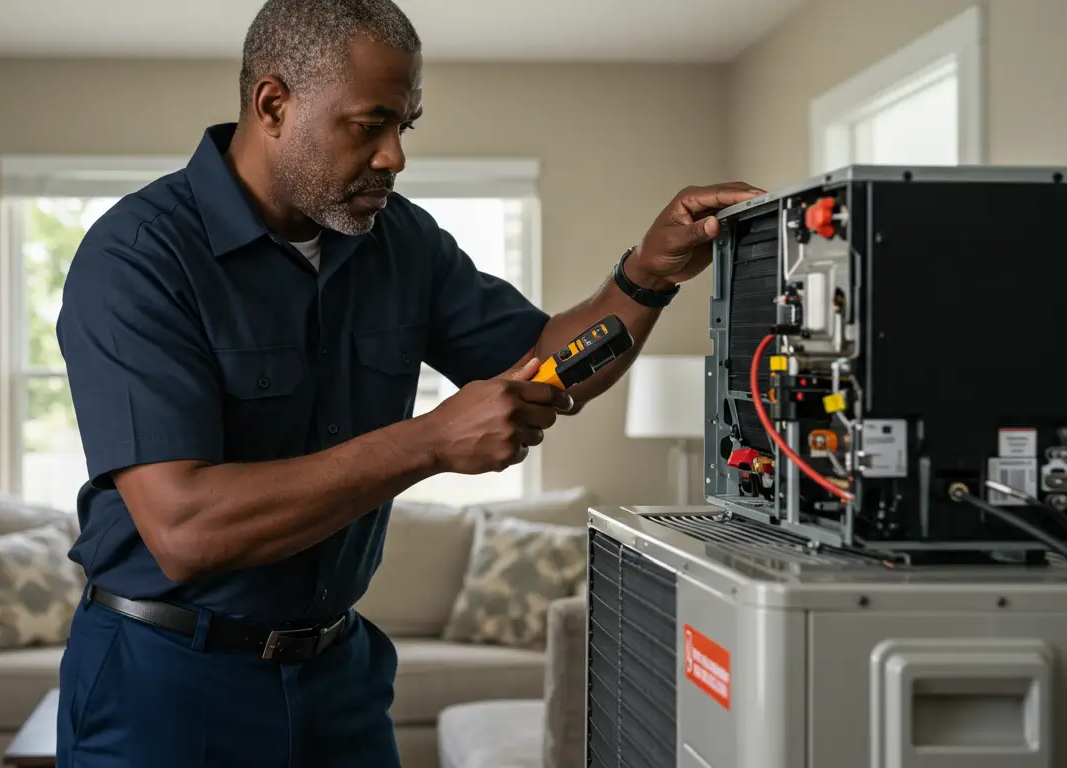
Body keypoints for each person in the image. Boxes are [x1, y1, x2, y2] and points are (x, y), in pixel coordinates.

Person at [53, 0, 762, 764]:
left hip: (338, 678)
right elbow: (187, 531)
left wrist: (647, 276)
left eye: (405, 127)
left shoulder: (401, 239)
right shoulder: (138, 257)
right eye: (370, 124)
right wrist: (428, 443)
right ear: (273, 104)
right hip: (164, 685)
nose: (395, 157)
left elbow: (548, 367)